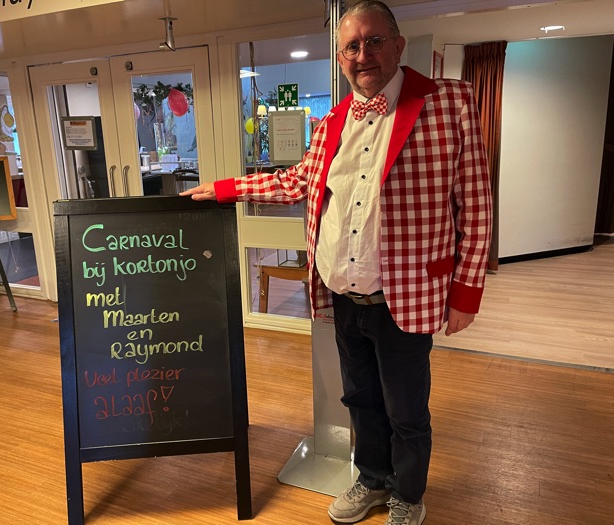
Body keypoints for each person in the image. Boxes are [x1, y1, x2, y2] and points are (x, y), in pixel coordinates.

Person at [182, 1, 492, 523]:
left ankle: (408, 495)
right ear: (341, 58)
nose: (362, 54)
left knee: (406, 411)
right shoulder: (331, 121)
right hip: (343, 295)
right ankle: (372, 479)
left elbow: (477, 206)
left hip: (405, 296)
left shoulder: (450, 102)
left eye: (374, 41)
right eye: (351, 46)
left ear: (398, 45)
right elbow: (294, 182)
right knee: (360, 400)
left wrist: (466, 293)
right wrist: (225, 189)